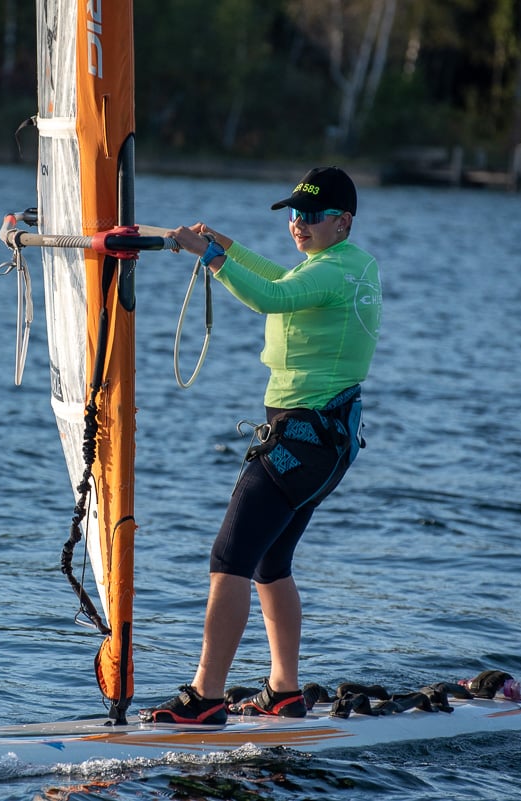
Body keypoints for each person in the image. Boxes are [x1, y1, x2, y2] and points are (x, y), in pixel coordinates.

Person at [140, 166, 382, 724]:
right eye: (294, 214)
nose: (299, 224)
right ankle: (284, 691)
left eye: (312, 215)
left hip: (301, 440)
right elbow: (282, 277)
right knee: (272, 563)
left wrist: (210, 256)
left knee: (229, 560)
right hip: (327, 443)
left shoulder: (332, 271)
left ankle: (205, 698)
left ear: (344, 221)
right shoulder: (349, 264)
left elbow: (271, 297)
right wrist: (227, 245)